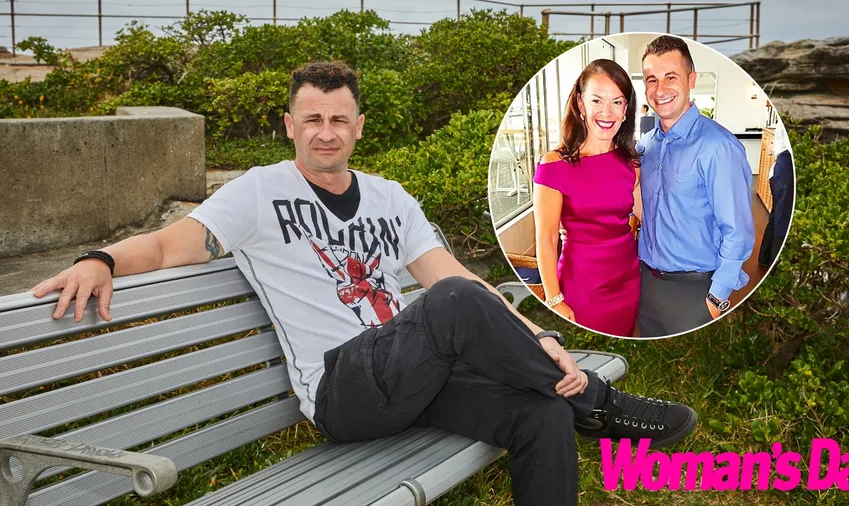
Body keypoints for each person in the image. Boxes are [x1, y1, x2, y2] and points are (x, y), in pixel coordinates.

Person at [31, 61, 697, 506]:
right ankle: (605, 408)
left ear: (359, 127)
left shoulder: (390, 197)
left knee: (542, 411)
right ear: (291, 126)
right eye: (312, 120)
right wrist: (102, 259)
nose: (326, 133)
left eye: (339, 120)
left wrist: (542, 339)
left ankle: (582, 406)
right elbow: (168, 243)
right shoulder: (258, 193)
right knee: (454, 306)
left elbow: (456, 278)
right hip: (344, 390)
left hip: (413, 376)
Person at [637, 35, 755, 338]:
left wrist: (716, 298)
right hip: (645, 283)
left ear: (692, 80)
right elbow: (639, 205)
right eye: (651, 80)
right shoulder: (646, 146)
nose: (660, 90)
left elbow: (737, 230)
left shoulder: (719, 146)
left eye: (670, 77)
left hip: (695, 293)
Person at [532, 58, 641, 337]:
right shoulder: (554, 165)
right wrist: (554, 299)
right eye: (597, 100)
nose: (607, 112)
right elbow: (545, 240)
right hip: (583, 284)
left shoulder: (631, 161)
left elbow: (640, 214)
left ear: (626, 109)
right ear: (580, 104)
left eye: (617, 102)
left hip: (628, 277)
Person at [758, 122, 794, 267]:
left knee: (777, 215)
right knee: (783, 220)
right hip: (786, 171)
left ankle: (766, 259)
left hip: (780, 171)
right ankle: (776, 265)